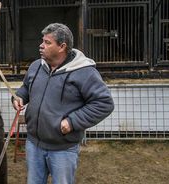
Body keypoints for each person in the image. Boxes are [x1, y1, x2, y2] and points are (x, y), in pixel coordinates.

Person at [12, 23, 114, 184]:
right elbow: (26, 87)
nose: (41, 45)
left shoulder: (84, 72)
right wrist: (19, 97)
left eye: (47, 42)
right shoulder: (36, 66)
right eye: (42, 41)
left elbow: (104, 103)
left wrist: (72, 121)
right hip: (34, 144)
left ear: (62, 46)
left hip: (63, 150)